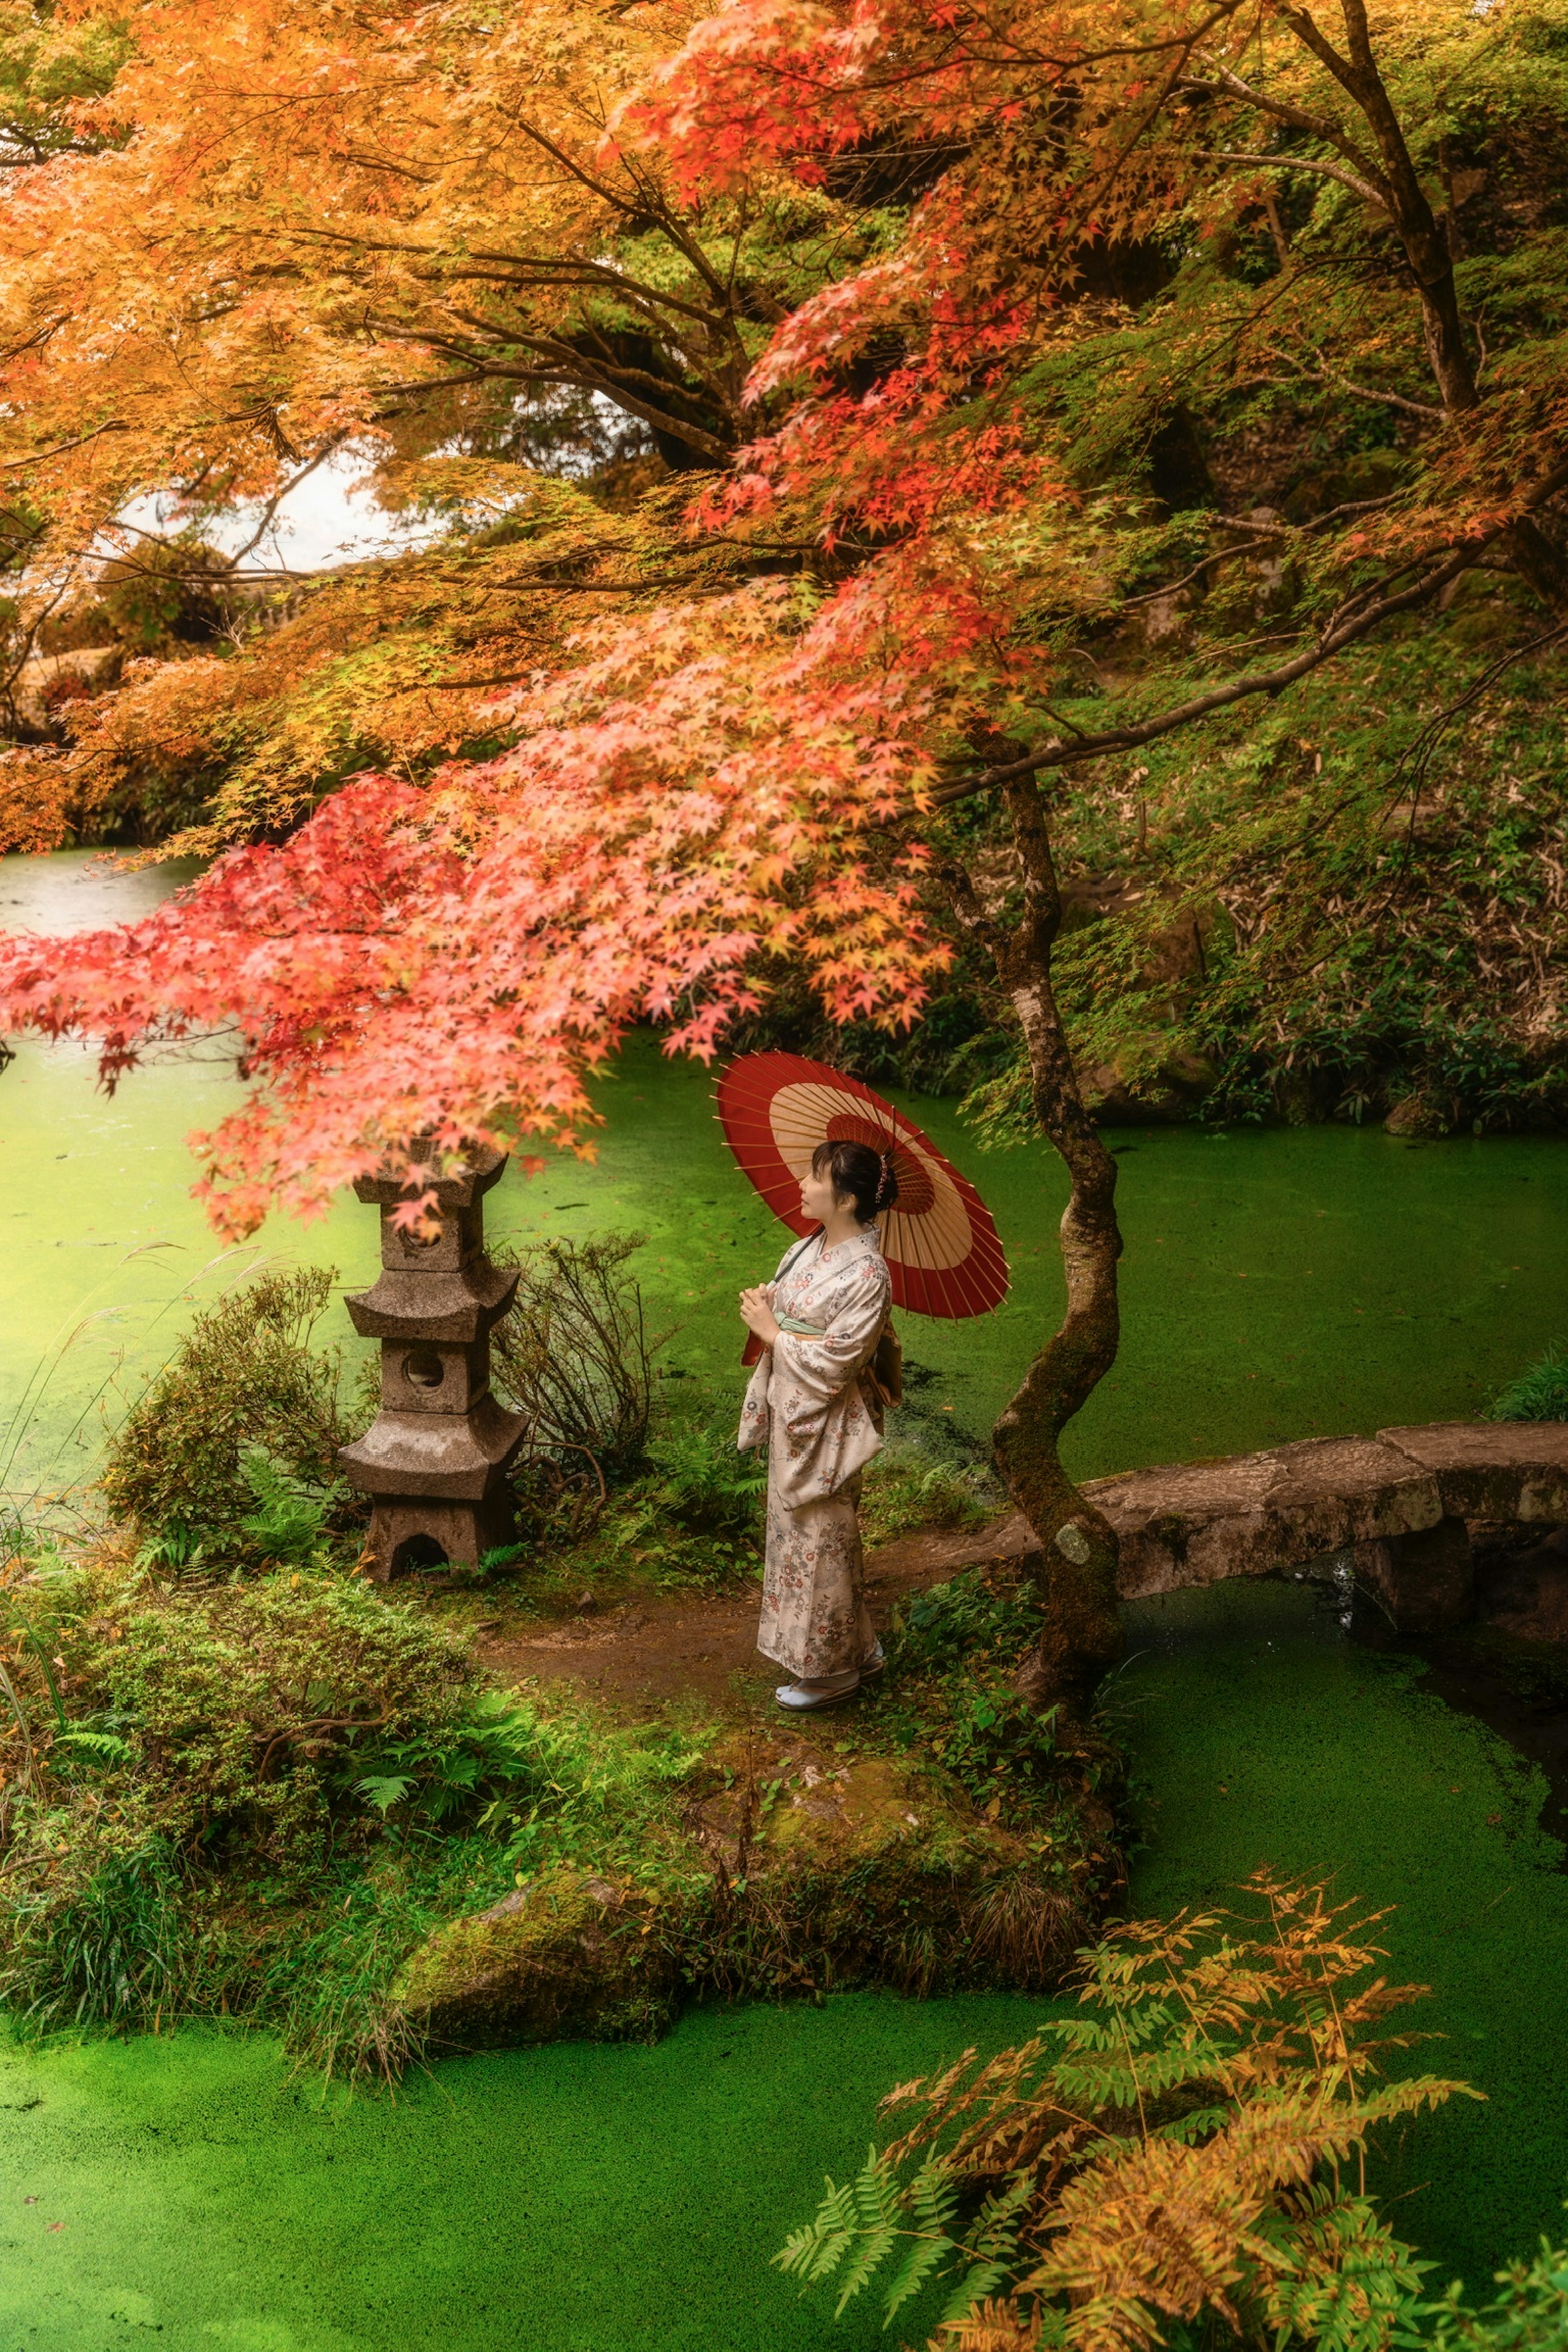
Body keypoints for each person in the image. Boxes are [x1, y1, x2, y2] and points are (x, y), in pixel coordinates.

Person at [736, 1138, 898, 1711]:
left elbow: (839, 1360)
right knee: (794, 1533)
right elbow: (792, 1307)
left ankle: (832, 1674)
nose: (803, 1185)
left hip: (828, 1419)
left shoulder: (869, 1275)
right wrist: (768, 1303)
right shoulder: (807, 1247)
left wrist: (775, 1332)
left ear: (849, 1200)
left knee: (822, 1537)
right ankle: (863, 1649)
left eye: (815, 1177)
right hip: (794, 1412)